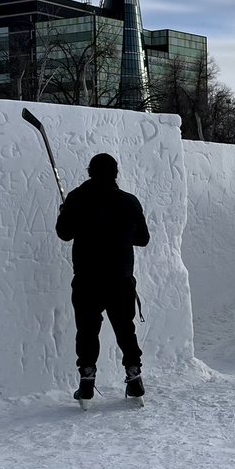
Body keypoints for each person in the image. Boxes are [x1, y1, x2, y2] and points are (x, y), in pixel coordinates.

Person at [56, 152, 150, 402]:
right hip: (120, 278)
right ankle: (134, 377)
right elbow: (143, 238)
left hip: (87, 279)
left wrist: (65, 210)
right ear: (115, 173)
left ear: (90, 172)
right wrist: (120, 234)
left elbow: (64, 233)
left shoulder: (77, 198)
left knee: (87, 331)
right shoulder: (129, 202)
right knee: (125, 329)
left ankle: (87, 380)